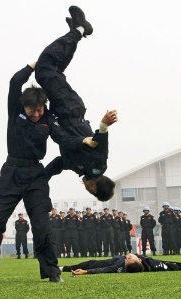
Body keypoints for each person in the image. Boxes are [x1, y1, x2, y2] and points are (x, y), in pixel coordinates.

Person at [0, 61, 88, 283]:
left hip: (36, 175)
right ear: (23, 106)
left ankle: (51, 270)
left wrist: (83, 141)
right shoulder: (15, 110)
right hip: (11, 172)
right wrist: (33, 66)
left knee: (42, 225)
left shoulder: (48, 118)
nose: (36, 113)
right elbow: (15, 81)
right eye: (31, 110)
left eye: (39, 109)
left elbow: (62, 138)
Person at [36, 6, 118, 202]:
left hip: (62, 112)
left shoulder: (78, 167)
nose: (86, 189)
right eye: (90, 191)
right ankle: (80, 29)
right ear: (94, 188)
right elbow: (101, 145)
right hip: (69, 109)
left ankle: (76, 31)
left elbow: (60, 162)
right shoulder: (98, 164)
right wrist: (104, 125)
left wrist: (42, 177)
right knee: (44, 69)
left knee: (55, 69)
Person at [59, 253, 181, 275]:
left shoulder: (119, 266)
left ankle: (61, 269)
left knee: (91, 264)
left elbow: (104, 269)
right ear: (139, 260)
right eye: (129, 256)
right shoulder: (153, 264)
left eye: (128, 257)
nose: (128, 255)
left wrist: (86, 272)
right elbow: (174, 265)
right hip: (117, 260)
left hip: (112, 260)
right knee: (91, 262)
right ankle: (63, 268)